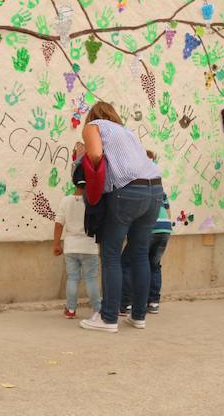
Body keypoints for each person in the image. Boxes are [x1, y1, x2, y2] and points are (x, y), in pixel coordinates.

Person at [78, 102, 163, 333]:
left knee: (111, 254)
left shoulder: (93, 126)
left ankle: (108, 318)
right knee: (139, 254)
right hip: (154, 189)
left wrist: (86, 160)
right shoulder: (127, 132)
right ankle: (138, 316)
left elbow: (95, 154)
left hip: (127, 191)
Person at [121, 151, 173, 316]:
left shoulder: (138, 185)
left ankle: (126, 303)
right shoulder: (158, 186)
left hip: (148, 228)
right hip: (165, 229)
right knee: (154, 265)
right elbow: (168, 210)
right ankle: (153, 302)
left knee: (127, 263)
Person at [54, 150, 101, 319]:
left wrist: (56, 244)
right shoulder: (94, 202)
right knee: (90, 279)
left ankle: (71, 309)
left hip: (71, 247)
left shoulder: (66, 201)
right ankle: (97, 309)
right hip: (89, 246)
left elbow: (58, 223)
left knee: (72, 278)